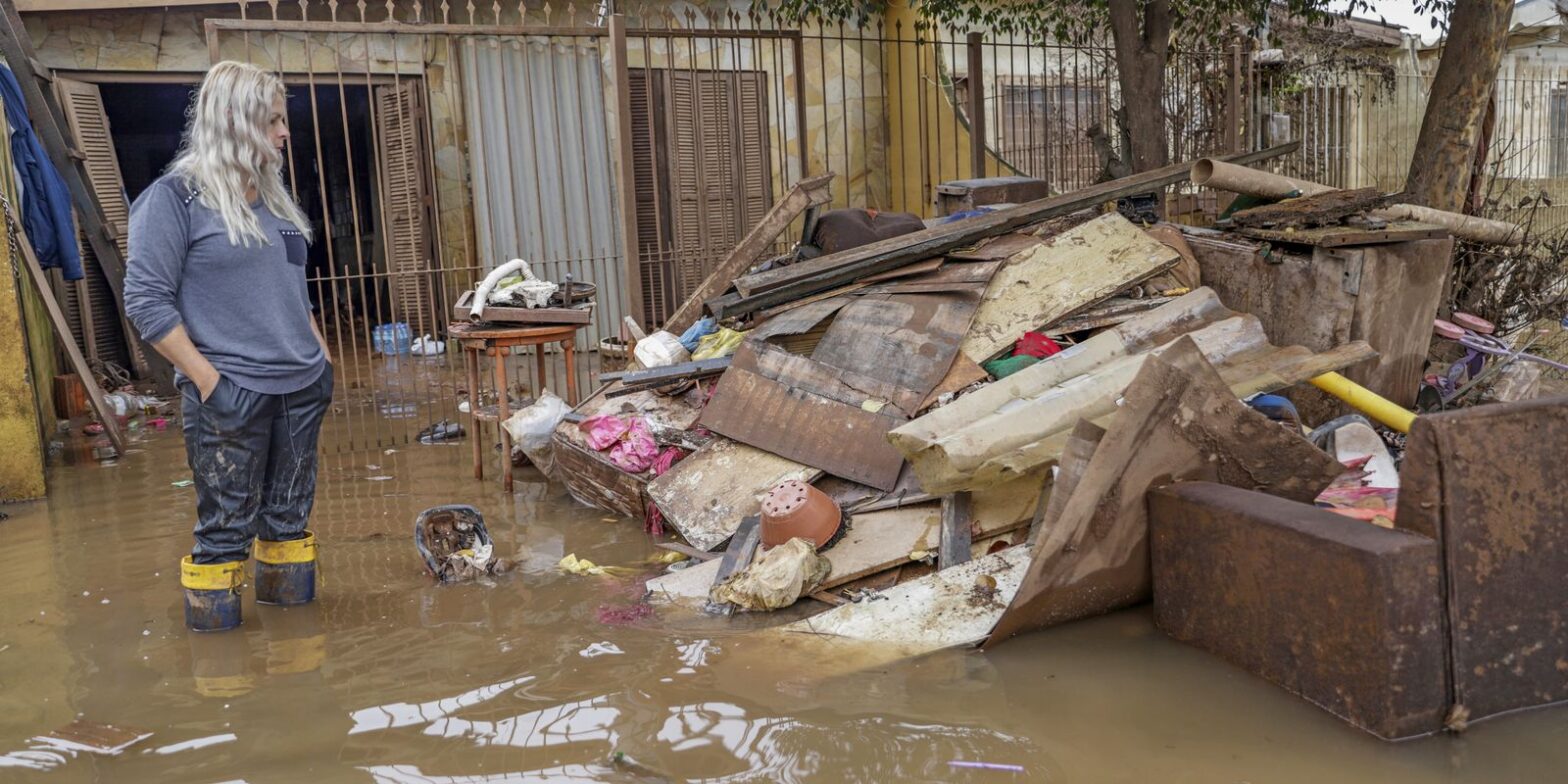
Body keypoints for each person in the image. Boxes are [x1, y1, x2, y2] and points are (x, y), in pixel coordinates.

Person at [124, 61, 332, 632]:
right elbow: (145, 301)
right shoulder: (175, 200)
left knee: (289, 522)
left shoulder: (276, 203)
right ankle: (223, 685)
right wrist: (210, 382)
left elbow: (293, 291)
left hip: (301, 387)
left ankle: (295, 666)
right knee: (223, 534)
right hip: (230, 395)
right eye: (272, 122)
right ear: (234, 122)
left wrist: (321, 360)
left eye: (282, 120)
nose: (284, 133)